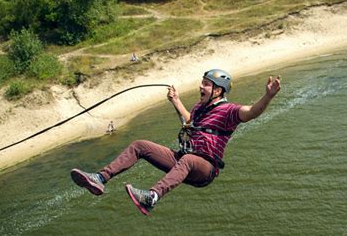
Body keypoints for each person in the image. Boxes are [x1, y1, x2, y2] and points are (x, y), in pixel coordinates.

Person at [70, 69, 281, 216]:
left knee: (188, 159)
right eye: (202, 82)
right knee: (140, 145)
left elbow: (252, 112)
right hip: (183, 161)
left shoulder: (229, 111)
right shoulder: (200, 107)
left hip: (205, 168)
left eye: (206, 84)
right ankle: (99, 178)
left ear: (218, 91)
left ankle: (151, 197)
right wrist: (176, 101)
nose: (201, 86)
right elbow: (190, 122)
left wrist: (268, 96)